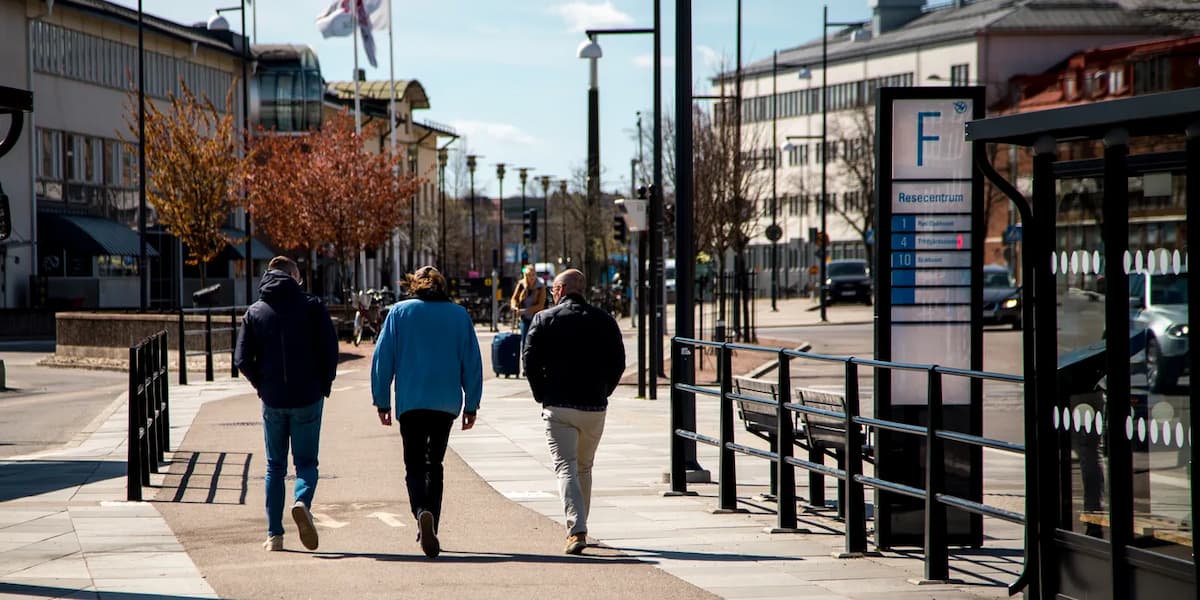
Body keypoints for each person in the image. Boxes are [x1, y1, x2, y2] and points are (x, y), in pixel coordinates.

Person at [372, 266, 483, 558]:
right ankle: (432, 513)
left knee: (414, 464)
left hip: (411, 401)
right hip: (445, 402)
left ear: (414, 284)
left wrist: (382, 401)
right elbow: (472, 362)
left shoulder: (399, 312)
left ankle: (421, 511)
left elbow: (383, 359)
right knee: (435, 463)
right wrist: (472, 403)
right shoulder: (459, 315)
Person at [234, 256, 338, 552]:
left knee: (274, 467)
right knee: (306, 462)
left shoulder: (255, 312)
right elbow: (330, 350)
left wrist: (261, 384)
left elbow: (241, 359)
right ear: (294, 277)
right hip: (308, 396)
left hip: (273, 398)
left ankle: (274, 535)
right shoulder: (312, 306)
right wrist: (324, 384)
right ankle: (302, 501)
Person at [522, 269, 625, 554]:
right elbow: (618, 361)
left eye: (555, 290)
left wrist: (541, 393)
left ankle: (576, 528)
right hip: (594, 406)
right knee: (584, 466)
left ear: (560, 289)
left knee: (565, 466)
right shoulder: (605, 320)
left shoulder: (544, 319)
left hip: (559, 405)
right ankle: (580, 525)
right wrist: (605, 391)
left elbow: (529, 360)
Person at [509, 265, 547, 349]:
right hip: (524, 320)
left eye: (533, 274)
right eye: (529, 275)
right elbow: (514, 299)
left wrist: (524, 311)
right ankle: (524, 361)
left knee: (535, 343)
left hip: (536, 319)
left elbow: (540, 306)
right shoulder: (521, 284)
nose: (531, 277)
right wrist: (514, 306)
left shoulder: (541, 287)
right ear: (525, 275)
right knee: (524, 343)